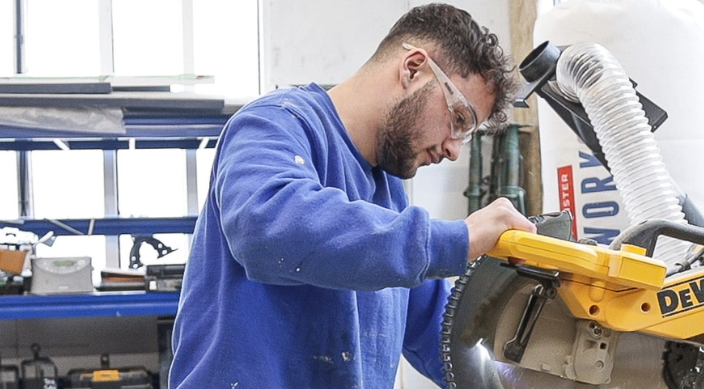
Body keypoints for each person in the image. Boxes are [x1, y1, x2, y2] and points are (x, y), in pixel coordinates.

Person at [169, 3, 536, 388]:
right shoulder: (275, 124)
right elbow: (268, 227)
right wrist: (458, 238)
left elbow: (443, 333)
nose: (454, 149)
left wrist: (528, 376)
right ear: (413, 68)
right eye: (458, 120)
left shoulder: (389, 197)